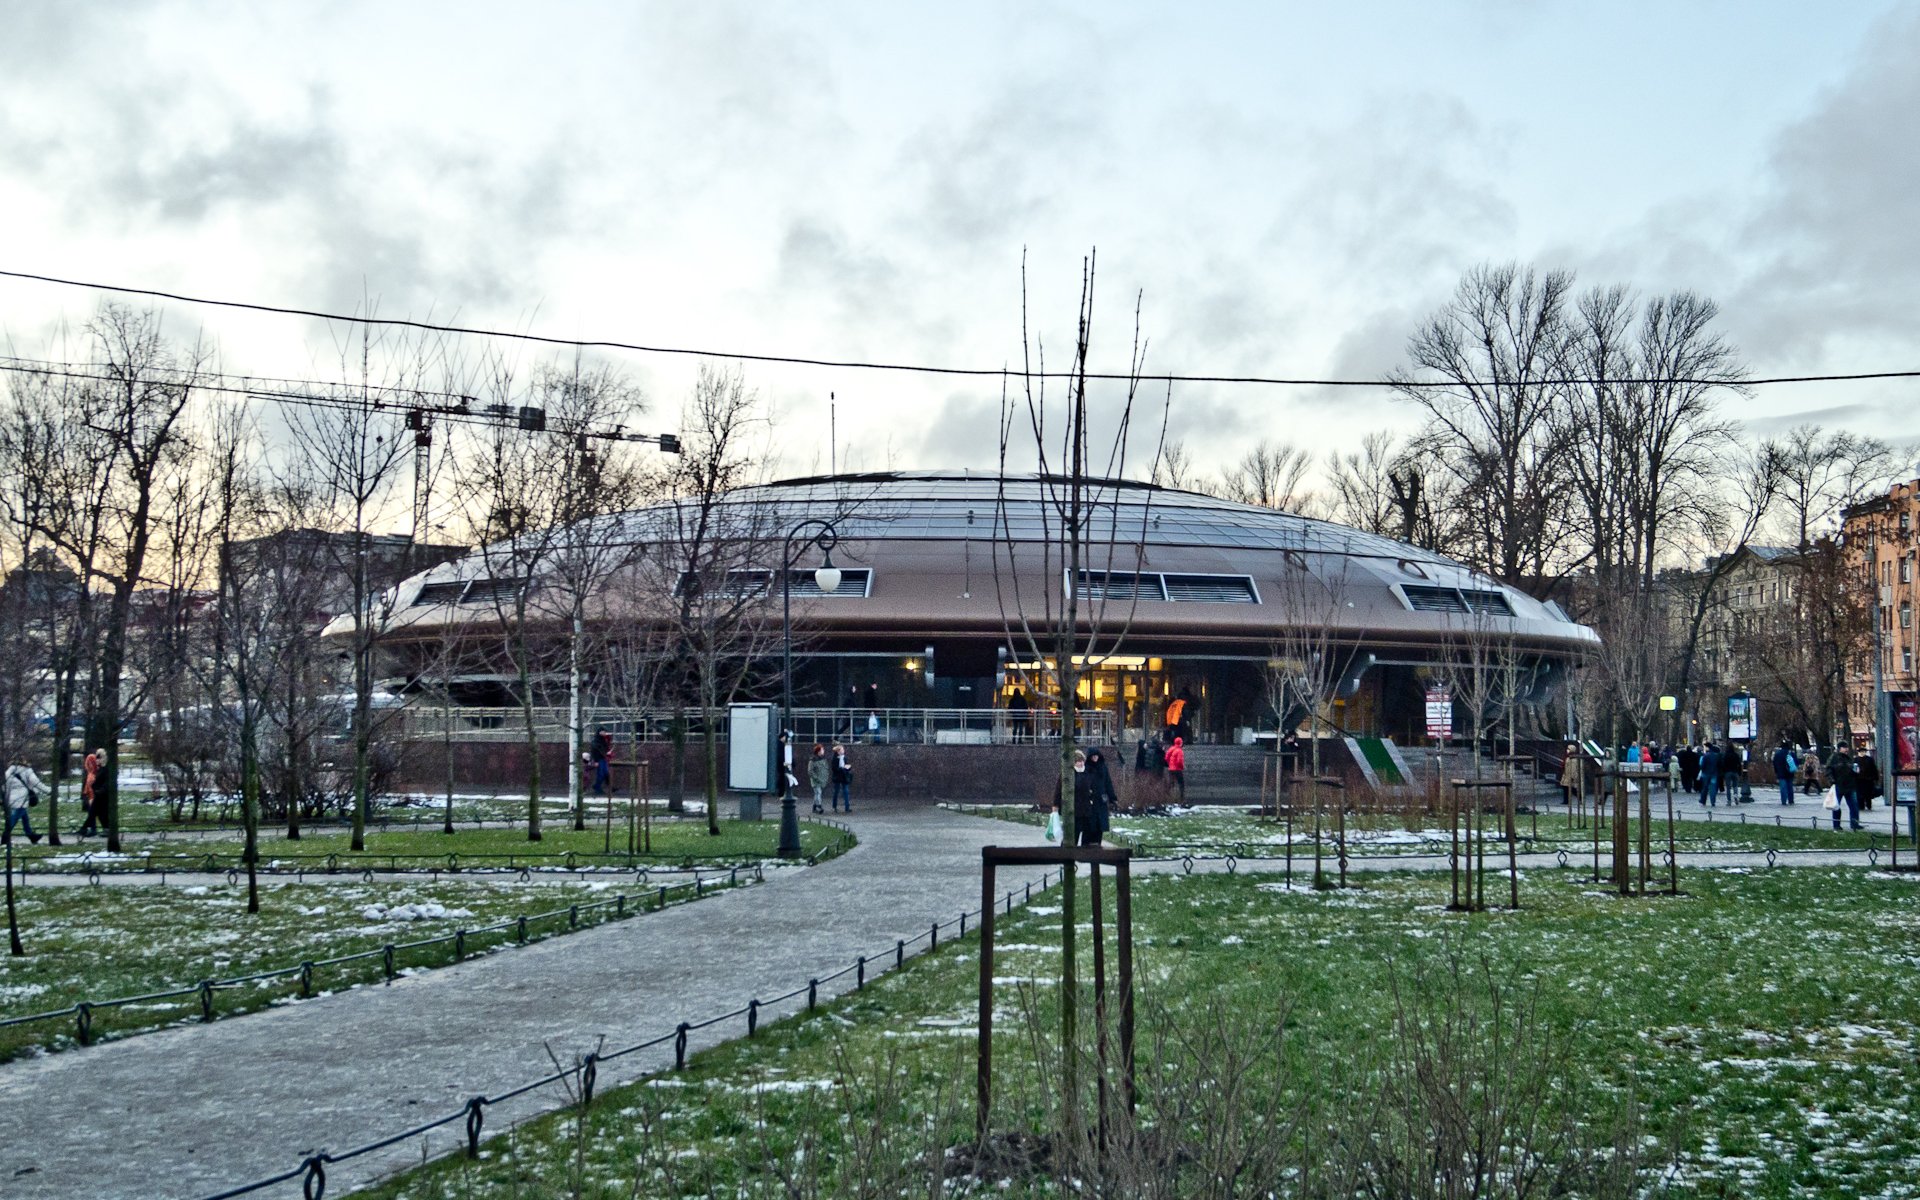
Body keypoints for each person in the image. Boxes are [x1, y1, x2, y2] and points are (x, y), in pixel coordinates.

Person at [4, 755, 46, 845]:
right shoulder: (27, 771)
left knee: (25, 818)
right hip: (22, 799)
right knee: (14, 818)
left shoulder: (8, 772)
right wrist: (49, 790)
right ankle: (5, 837)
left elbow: (4, 786)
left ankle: (31, 836)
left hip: (12, 799)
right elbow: (36, 782)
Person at [1082, 748, 1118, 841]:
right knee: (1089, 825)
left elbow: (1108, 783)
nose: (1095, 758)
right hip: (1090, 799)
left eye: (1096, 756)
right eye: (1093, 756)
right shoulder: (1086, 768)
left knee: (1100, 824)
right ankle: (1086, 846)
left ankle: (1098, 844)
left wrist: (1112, 797)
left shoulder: (1103, 767)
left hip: (1101, 799)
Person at [1826, 745, 1857, 832]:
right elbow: (1828, 770)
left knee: (1853, 806)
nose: (1846, 749)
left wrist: (1855, 773)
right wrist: (1832, 780)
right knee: (1836, 806)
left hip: (1850, 785)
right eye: (1844, 747)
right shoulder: (1834, 758)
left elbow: (1852, 770)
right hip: (1838, 785)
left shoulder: (1848, 758)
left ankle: (1854, 824)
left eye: (1847, 747)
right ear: (1839, 748)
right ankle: (1836, 825)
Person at [78, 746, 104, 837]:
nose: (88, 765)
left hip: (93, 796)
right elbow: (87, 786)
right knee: (94, 814)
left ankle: (88, 829)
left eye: (89, 763)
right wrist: (85, 793)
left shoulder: (94, 774)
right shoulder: (91, 773)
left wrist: (90, 795)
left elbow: (91, 785)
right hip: (90, 795)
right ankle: (89, 829)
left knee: (92, 814)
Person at [1854, 750, 1881, 819]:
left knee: (1868, 794)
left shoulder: (1869, 759)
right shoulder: (1855, 760)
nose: (1862, 753)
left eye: (1863, 752)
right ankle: (1861, 805)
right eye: (1861, 752)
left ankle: (1868, 804)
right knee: (1859, 794)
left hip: (1868, 780)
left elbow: (1874, 769)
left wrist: (1875, 778)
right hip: (1859, 780)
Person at [588, 728, 614, 797]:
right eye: (603, 732)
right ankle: (597, 787)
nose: (604, 733)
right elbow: (594, 752)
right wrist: (596, 761)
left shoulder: (602, 740)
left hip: (603, 758)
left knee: (605, 773)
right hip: (599, 759)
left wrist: (607, 753)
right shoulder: (596, 741)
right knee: (601, 774)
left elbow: (604, 748)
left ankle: (598, 786)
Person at [1771, 739, 1797, 805]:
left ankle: (1783, 801)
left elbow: (1774, 764)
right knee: (1790, 787)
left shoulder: (1777, 754)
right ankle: (1791, 800)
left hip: (1781, 773)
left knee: (1783, 788)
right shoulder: (1791, 754)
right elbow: (1796, 763)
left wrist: (1776, 772)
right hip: (1790, 773)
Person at [829, 743, 853, 812]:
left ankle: (847, 807)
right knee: (836, 792)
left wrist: (847, 767)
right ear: (838, 751)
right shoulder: (835, 759)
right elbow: (834, 768)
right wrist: (842, 768)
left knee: (846, 791)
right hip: (838, 777)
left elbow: (846, 764)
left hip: (844, 777)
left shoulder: (844, 757)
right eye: (842, 750)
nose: (843, 751)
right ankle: (834, 806)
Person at [807, 744, 829, 814]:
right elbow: (810, 771)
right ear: (818, 751)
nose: (823, 751)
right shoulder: (813, 760)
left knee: (817, 793)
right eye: (822, 750)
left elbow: (826, 769)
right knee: (818, 793)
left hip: (821, 779)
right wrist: (816, 777)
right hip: (816, 780)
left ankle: (814, 806)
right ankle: (819, 806)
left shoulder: (823, 759)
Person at [1164, 735, 1187, 803]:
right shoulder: (1179, 751)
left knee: (1171, 783)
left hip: (1171, 769)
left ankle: (1166, 794)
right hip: (1177, 769)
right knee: (1181, 783)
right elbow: (1179, 761)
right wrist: (1182, 767)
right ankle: (1181, 797)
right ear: (1181, 743)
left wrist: (1170, 764)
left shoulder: (1171, 748)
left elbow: (1166, 757)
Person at [1700, 743, 1722, 807]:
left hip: (1706, 773)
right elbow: (1719, 765)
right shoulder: (1716, 756)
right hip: (1714, 773)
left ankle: (1703, 801)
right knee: (1713, 788)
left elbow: (1702, 765)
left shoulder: (1706, 756)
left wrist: (1703, 770)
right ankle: (1713, 801)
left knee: (1705, 787)